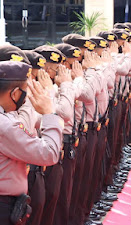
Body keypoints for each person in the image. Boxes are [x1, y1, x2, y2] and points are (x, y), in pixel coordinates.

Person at [0, 60, 64, 225]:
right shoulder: (5, 126)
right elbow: (49, 153)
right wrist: (51, 114)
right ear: (15, 94)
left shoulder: (7, 118)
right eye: (25, 92)